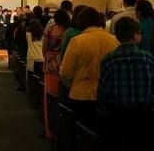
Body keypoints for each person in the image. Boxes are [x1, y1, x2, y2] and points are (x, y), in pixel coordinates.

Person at [97, 17, 154, 151]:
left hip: (117, 116)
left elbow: (102, 91)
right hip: (144, 116)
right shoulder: (148, 58)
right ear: (135, 35)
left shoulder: (108, 59)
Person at [60, 7, 119, 128]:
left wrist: (71, 85)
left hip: (80, 93)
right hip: (107, 94)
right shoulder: (114, 41)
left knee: (80, 132)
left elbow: (65, 72)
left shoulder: (77, 41)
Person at [42, 9, 71, 138]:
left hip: (51, 63)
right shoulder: (69, 31)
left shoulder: (50, 29)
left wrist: (48, 58)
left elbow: (44, 47)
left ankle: (50, 131)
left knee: (49, 97)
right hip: (65, 62)